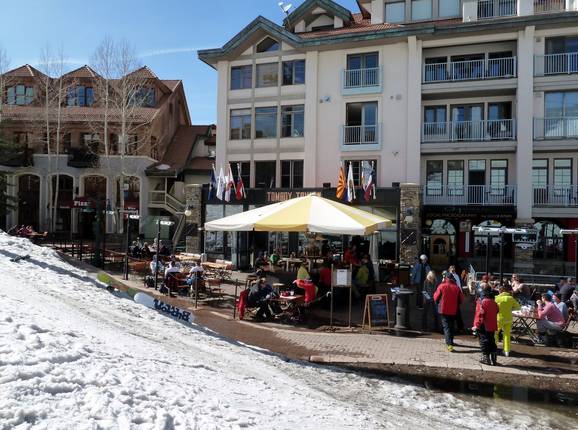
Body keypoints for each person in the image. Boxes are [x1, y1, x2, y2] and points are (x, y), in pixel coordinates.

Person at [434, 271, 464, 352]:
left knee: (446, 327)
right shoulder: (456, 287)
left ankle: (449, 344)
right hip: (453, 310)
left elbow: (436, 297)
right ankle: (451, 341)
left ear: (446, 278)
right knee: (451, 326)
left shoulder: (442, 286)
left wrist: (438, 303)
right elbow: (461, 299)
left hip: (443, 309)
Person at [473, 285, 499, 366]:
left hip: (484, 324)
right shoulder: (494, 302)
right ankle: (494, 359)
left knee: (484, 341)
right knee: (491, 340)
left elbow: (480, 315)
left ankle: (485, 358)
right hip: (492, 324)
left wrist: (476, 325)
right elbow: (497, 310)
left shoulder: (482, 302)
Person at [494, 284, 520, 357]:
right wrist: (510, 309)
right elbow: (518, 307)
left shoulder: (497, 298)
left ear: (500, 291)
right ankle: (507, 351)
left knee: (495, 334)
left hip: (499, 319)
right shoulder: (511, 298)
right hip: (508, 318)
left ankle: (494, 349)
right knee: (507, 335)